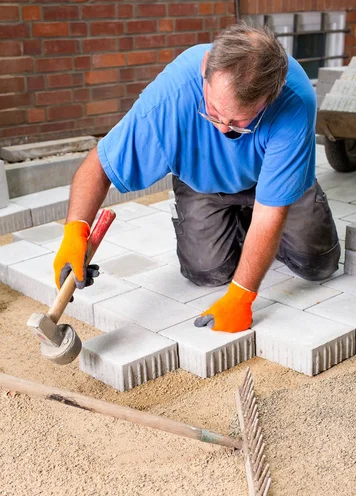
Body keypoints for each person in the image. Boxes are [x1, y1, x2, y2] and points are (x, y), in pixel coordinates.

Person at [54, 22, 340, 333]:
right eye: (214, 112)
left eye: (239, 122)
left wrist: (241, 297)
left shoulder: (294, 101)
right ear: (206, 68)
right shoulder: (171, 95)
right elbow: (99, 165)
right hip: (204, 183)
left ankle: (281, 195)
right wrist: (75, 231)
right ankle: (240, 225)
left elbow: (270, 215)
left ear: (269, 99)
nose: (222, 127)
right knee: (208, 271)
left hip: (272, 180)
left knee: (317, 263)